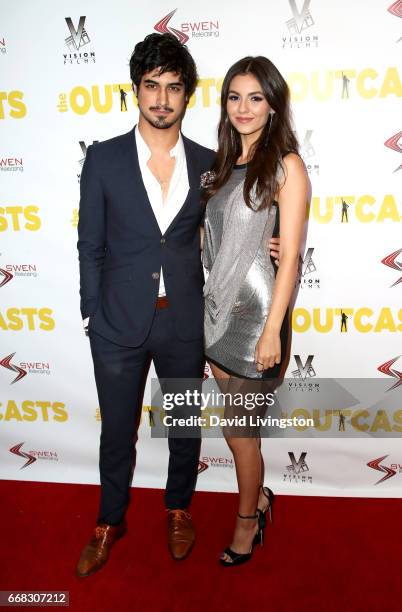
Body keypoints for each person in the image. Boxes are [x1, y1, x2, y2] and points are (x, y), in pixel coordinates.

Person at [76, 33, 280, 576]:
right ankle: (108, 520)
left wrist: (275, 242)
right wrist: (92, 311)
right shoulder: (103, 159)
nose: (161, 98)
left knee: (184, 426)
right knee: (117, 429)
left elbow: (239, 223)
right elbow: (89, 243)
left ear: (187, 95)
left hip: (185, 321)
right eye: (151, 86)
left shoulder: (212, 163)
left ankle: (178, 509)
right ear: (135, 91)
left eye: (173, 87)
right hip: (117, 323)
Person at [202, 56, 308, 566]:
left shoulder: (286, 165)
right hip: (217, 314)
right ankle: (260, 498)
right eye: (234, 97)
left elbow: (288, 257)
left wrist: (272, 333)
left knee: (241, 433)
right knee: (233, 428)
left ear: (273, 104)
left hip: (257, 322)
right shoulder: (220, 167)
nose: (243, 108)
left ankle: (248, 521)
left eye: (255, 98)